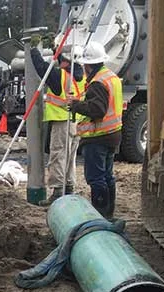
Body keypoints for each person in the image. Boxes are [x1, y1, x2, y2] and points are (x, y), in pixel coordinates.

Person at [68, 41, 123, 219]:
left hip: (98, 137)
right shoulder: (111, 77)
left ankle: (100, 215)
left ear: (89, 66)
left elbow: (97, 110)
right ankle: (108, 214)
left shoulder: (97, 83)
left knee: (96, 178)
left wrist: (76, 105)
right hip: (112, 134)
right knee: (107, 176)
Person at [29, 35, 85, 205]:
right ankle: (69, 188)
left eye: (60, 58)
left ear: (66, 61)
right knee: (69, 158)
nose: (58, 60)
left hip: (62, 121)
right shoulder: (80, 75)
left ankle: (57, 192)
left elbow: (41, 67)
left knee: (58, 156)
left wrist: (33, 50)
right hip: (76, 123)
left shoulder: (60, 76)